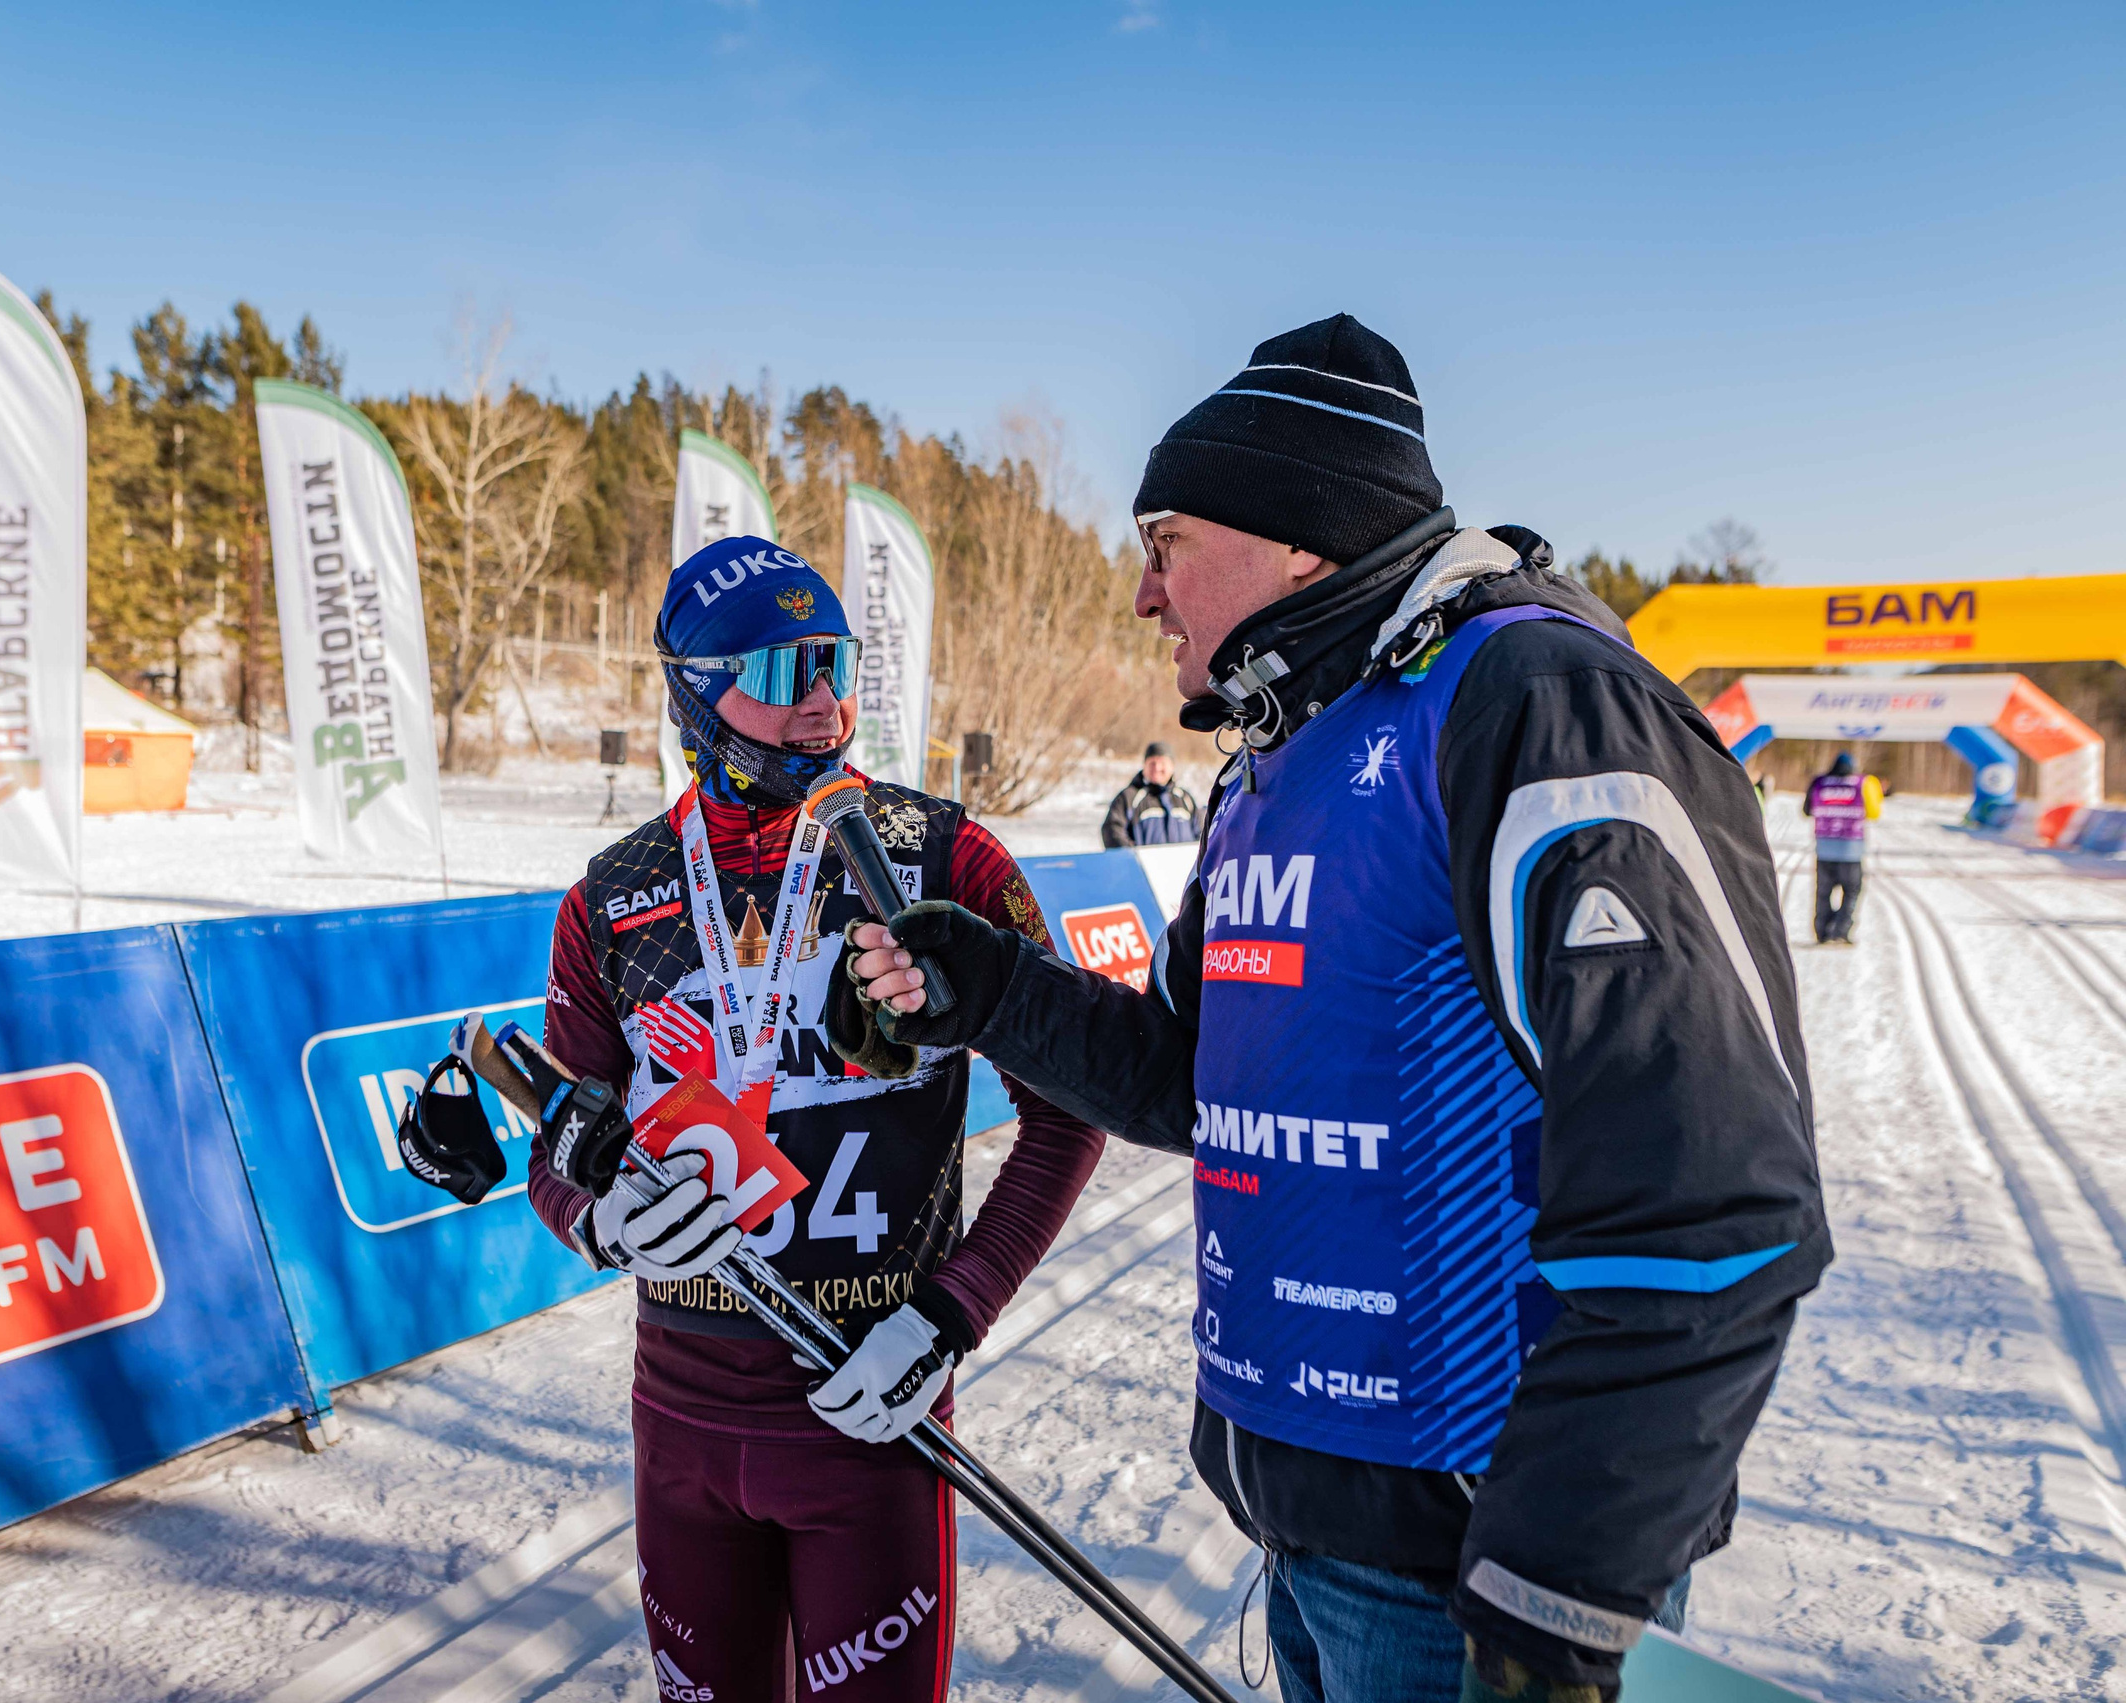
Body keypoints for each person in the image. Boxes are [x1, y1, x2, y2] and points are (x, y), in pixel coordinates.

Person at [827, 317, 1829, 1703]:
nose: (1142, 592)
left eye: (1165, 539)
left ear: (1297, 541)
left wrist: (1565, 1580)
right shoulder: (1280, 754)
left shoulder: (1536, 700)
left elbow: (1714, 1188)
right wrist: (993, 988)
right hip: (1314, 1532)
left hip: (1480, 1562)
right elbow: (1190, 1074)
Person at [527, 535, 1104, 1703]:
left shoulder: (944, 855)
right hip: (681, 1418)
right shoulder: (612, 894)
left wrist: (952, 1312)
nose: (826, 705)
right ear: (697, 687)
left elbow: (1071, 1106)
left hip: (870, 1403)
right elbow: (561, 1136)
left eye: (837, 663)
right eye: (786, 674)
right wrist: (600, 1222)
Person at [1803, 751, 1882, 944]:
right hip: (1851, 850)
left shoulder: (1819, 782)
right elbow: (1874, 812)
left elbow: (1807, 810)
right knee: (1852, 891)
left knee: (1823, 892)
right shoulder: (1863, 783)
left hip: (1824, 848)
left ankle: (1822, 931)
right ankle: (1841, 930)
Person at [1101, 742, 1203, 847]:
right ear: (1144, 765)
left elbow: (1202, 833)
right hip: (1142, 863)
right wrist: (1131, 856)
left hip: (1184, 863)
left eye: (1163, 763)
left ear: (1172, 766)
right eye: (1152, 763)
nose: (1157, 768)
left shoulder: (1185, 799)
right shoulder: (1129, 797)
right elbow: (1112, 830)